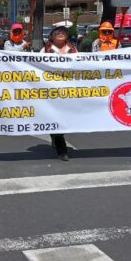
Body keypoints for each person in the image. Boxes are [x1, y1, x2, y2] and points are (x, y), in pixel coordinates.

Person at [41, 24, 77, 160]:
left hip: (70, 89)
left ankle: (54, 136)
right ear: (51, 36)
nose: (60, 33)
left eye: (63, 31)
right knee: (54, 117)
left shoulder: (73, 49)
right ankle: (62, 149)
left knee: (65, 118)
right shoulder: (45, 51)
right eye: (57, 31)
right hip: (51, 89)